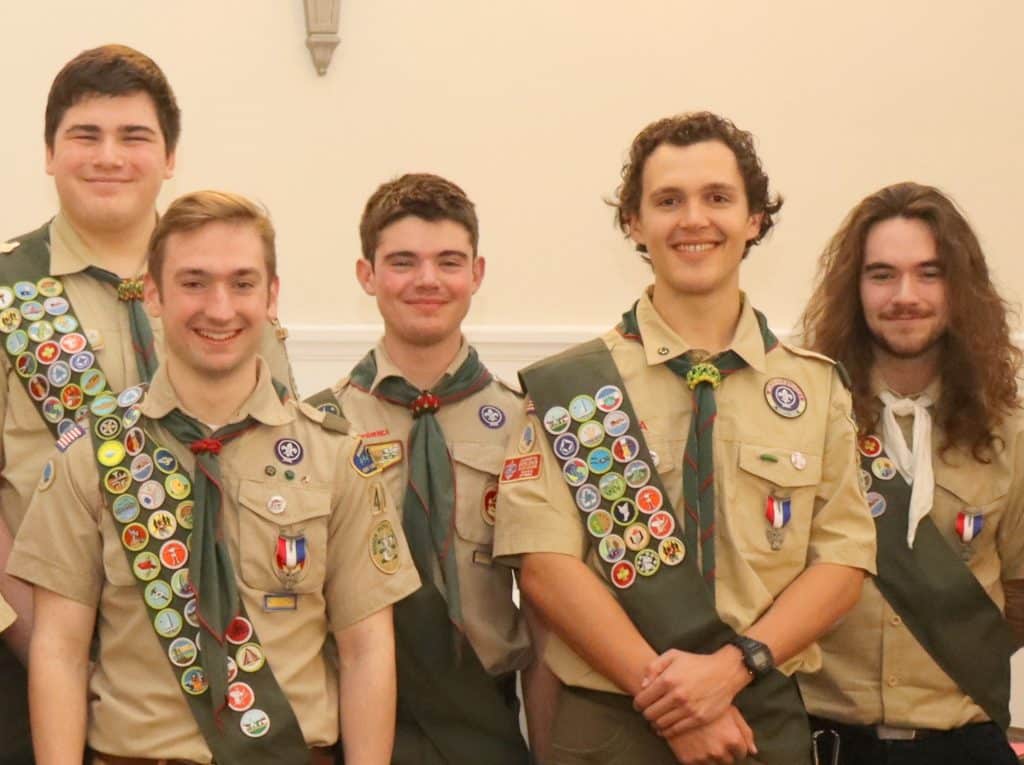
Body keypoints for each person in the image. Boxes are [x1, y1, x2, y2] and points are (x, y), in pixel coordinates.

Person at [494, 112, 877, 765]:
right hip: (613, 722)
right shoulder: (572, 388)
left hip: (758, 712)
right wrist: (676, 702)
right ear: (634, 223)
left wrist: (730, 670)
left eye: (718, 197)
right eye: (668, 201)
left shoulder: (815, 389)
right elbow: (545, 568)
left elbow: (843, 562)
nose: (694, 219)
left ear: (754, 219)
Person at [7, 191, 420, 764]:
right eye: (194, 283)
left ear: (271, 296)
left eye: (242, 283)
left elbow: (367, 650)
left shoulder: (336, 457)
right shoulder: (93, 455)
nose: (220, 309)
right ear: (153, 293)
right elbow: (59, 651)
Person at [0, 45, 294, 762]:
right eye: (86, 135)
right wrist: (43, 641)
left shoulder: (225, 287)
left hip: (233, 662)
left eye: (133, 136)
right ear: (48, 153)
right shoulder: (9, 294)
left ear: (169, 158)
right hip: (33, 654)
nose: (109, 157)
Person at [306, 173, 557, 764]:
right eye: (402, 262)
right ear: (367, 275)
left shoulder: (526, 424)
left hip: (482, 723)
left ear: (477, 274)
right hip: (350, 726)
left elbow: (547, 616)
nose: (427, 280)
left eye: (449, 262)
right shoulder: (319, 428)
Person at [798, 182, 1024, 765]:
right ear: (854, 289)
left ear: (960, 287)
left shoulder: (1010, 431)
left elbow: (1020, 594)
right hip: (822, 741)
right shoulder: (803, 420)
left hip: (963, 743)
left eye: (930, 274)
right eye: (882, 275)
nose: (906, 296)